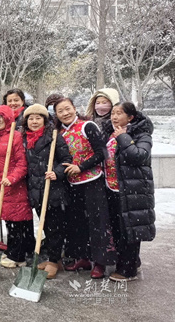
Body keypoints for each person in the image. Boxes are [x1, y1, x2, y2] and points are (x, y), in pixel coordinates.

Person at [54, 98, 117, 279]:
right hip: (72, 184)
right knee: (77, 222)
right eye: (60, 111)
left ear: (75, 109)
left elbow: (102, 153)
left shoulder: (87, 126)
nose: (65, 113)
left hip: (92, 181)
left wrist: (81, 167)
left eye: (67, 109)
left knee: (97, 222)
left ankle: (100, 262)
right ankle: (83, 257)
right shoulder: (58, 132)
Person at [102, 102, 155, 282]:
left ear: (130, 117)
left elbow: (139, 156)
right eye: (113, 113)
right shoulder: (109, 132)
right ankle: (131, 261)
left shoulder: (142, 134)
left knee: (129, 230)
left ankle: (128, 270)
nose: (114, 117)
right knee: (117, 229)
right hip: (112, 187)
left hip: (131, 189)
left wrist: (124, 137)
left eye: (119, 113)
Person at [22, 104, 72, 279]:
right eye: (31, 118)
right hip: (36, 190)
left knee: (54, 227)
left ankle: (54, 260)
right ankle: (53, 257)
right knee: (45, 226)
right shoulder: (25, 139)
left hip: (53, 189)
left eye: (38, 118)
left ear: (45, 120)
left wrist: (57, 172)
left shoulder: (54, 136)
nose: (34, 121)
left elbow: (66, 159)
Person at [0, 105, 34, 268]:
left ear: (7, 119)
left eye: (0, 118)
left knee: (18, 221)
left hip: (15, 186)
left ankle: (18, 256)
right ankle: (13, 250)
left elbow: (22, 163)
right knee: (9, 220)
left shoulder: (16, 136)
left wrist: (12, 178)